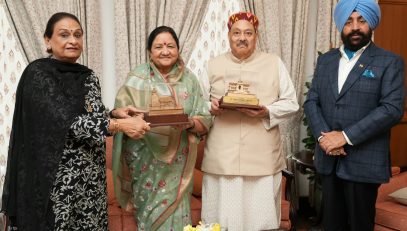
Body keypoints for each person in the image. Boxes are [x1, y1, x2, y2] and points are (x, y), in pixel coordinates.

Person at [1, 12, 150, 231]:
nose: (73, 40)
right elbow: (68, 122)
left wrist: (115, 114)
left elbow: (90, 117)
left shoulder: (88, 76)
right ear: (48, 40)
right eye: (64, 35)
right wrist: (120, 127)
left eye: (78, 35)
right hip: (56, 181)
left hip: (91, 180)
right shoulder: (38, 74)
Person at [304, 0, 405, 230]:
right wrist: (324, 139)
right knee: (331, 225)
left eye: (362, 20)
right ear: (341, 25)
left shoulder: (389, 62)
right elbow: (312, 101)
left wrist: (345, 137)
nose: (356, 27)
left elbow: (392, 109)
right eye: (349, 21)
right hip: (329, 159)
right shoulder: (326, 60)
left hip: (364, 162)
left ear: (371, 23)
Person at [201, 12, 299, 231]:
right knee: (221, 220)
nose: (242, 38)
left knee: (259, 220)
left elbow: (292, 103)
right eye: (236, 33)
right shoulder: (212, 65)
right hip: (222, 156)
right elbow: (196, 102)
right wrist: (211, 107)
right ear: (228, 36)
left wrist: (266, 111)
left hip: (262, 156)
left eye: (248, 33)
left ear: (256, 36)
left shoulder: (274, 63)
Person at [112, 26, 212, 231]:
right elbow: (120, 114)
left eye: (170, 46)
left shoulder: (190, 80)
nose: (165, 51)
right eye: (158, 46)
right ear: (149, 51)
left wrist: (190, 123)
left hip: (178, 162)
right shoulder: (136, 78)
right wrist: (128, 117)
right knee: (150, 217)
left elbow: (205, 116)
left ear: (178, 49)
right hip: (144, 160)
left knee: (177, 213)